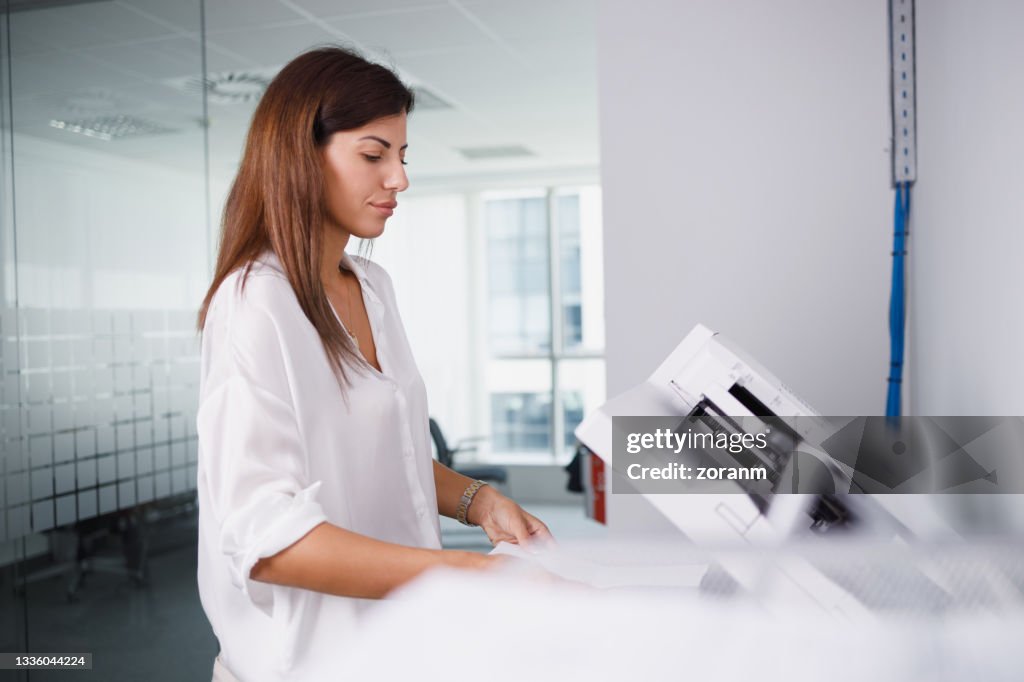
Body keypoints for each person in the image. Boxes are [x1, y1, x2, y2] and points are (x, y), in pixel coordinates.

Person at [194, 46, 553, 682]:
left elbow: (391, 449)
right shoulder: (255, 302)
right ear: (303, 156)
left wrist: (477, 501)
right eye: (373, 154)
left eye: (402, 155)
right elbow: (265, 537)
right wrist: (468, 574)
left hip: (401, 650)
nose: (399, 179)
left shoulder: (373, 284)